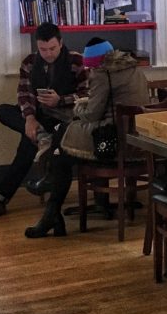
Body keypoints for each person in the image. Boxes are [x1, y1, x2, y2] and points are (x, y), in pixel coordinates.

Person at [24, 38, 148, 239]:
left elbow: (93, 115)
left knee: (62, 140)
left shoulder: (102, 73)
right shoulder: (134, 69)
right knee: (62, 142)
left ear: (93, 62)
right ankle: (51, 203)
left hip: (110, 141)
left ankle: (51, 202)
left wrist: (79, 109)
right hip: (137, 139)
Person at [0, 23, 87, 221]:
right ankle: (40, 137)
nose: (48, 53)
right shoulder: (30, 62)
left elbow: (87, 94)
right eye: (43, 49)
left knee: (26, 146)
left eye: (52, 48)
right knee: (3, 110)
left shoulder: (75, 60)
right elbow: (24, 93)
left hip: (62, 120)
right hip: (38, 117)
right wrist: (29, 119)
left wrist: (60, 100)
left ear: (61, 43)